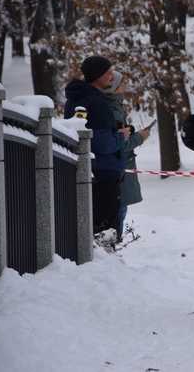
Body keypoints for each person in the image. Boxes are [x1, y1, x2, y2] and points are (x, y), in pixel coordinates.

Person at [64, 56, 128, 235]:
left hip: (87, 170)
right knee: (105, 230)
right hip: (103, 173)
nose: (111, 75)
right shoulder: (97, 102)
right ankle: (107, 260)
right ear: (97, 75)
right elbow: (102, 143)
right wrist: (121, 136)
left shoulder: (76, 99)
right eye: (107, 72)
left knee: (91, 228)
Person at [102, 71, 151, 242]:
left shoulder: (115, 108)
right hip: (117, 169)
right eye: (121, 84)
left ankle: (113, 245)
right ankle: (112, 247)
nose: (125, 87)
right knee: (117, 211)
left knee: (118, 210)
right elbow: (119, 144)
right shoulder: (112, 111)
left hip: (119, 168)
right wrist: (140, 137)